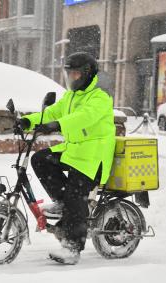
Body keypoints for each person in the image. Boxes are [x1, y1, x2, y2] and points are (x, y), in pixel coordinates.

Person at [15, 52, 116, 265]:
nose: (72, 78)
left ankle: (72, 247)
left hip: (93, 156)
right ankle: (62, 202)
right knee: (40, 159)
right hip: (74, 151)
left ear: (87, 75)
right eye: (69, 74)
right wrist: (27, 122)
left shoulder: (100, 97)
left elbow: (83, 117)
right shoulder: (71, 96)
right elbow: (52, 114)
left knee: (75, 195)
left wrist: (58, 125)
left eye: (76, 74)